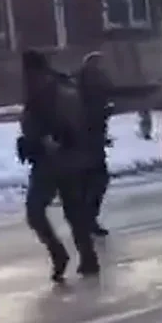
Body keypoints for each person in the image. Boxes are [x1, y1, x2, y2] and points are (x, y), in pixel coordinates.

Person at [19, 50, 99, 282]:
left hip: (64, 161)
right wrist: (29, 142)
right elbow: (32, 125)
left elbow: (76, 126)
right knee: (62, 212)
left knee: (62, 212)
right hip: (48, 162)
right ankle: (72, 255)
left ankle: (79, 256)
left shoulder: (60, 92)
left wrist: (57, 138)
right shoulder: (38, 91)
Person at [75, 52, 114, 236]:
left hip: (89, 141)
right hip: (87, 142)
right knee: (97, 180)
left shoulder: (84, 85)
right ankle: (87, 219)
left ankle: (86, 219)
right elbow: (90, 115)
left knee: (92, 181)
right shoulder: (89, 87)